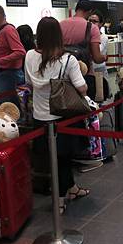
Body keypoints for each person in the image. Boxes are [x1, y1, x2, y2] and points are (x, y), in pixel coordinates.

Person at [24, 17, 90, 214]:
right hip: (63, 117)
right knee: (63, 159)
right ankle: (60, 200)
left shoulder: (28, 56)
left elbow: (28, 82)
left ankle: (72, 188)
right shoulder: (67, 60)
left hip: (40, 117)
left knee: (54, 158)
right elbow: (82, 88)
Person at [59, 0, 107, 100]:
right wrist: (104, 57)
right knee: (87, 108)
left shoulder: (61, 24)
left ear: (76, 9)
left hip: (62, 75)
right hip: (85, 75)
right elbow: (97, 58)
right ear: (89, 12)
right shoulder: (92, 28)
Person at [0, 4, 26, 105]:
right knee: (7, 104)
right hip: (6, 74)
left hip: (9, 75)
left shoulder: (8, 30)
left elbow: (20, 52)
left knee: (8, 106)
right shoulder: (3, 31)